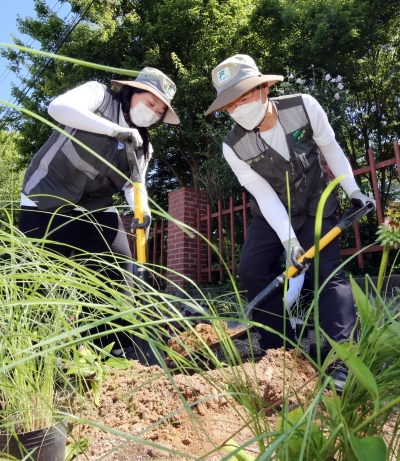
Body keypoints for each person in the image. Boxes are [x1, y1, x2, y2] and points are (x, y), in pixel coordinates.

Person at [205, 54, 375, 392]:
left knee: (327, 273)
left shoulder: (304, 106)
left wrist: (354, 191)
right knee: (251, 268)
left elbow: (330, 148)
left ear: (264, 87)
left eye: (245, 96)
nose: (238, 108)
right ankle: (278, 345)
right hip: (271, 215)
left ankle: (341, 358)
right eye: (230, 104)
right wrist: (289, 242)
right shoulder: (233, 146)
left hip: (315, 205)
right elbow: (264, 194)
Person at [19, 67, 180, 363]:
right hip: (45, 197)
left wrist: (141, 210)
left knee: (118, 272)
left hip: (96, 206)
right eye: (151, 101)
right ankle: (35, 354)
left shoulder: (144, 146)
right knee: (37, 280)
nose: (154, 111)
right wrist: (113, 130)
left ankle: (111, 348)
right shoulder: (99, 96)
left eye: (160, 110)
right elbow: (58, 107)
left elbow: (134, 184)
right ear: (131, 92)